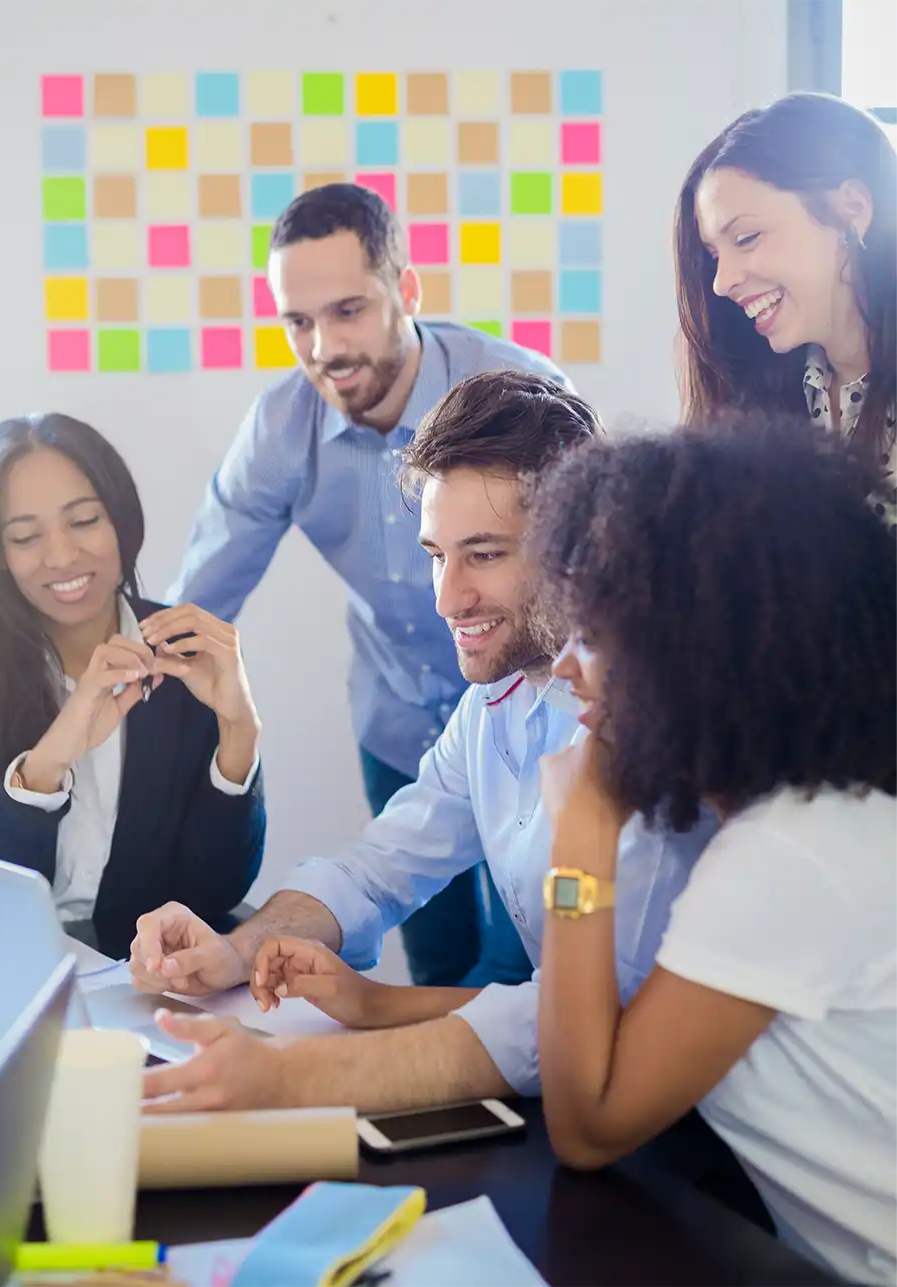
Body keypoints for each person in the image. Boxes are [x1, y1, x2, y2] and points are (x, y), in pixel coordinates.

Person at [131, 371, 716, 1119]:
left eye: (485, 554)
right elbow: (376, 871)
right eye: (438, 554)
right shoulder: (493, 707)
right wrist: (237, 949)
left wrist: (303, 1074)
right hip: (585, 1101)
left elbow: (593, 1017)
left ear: (579, 547)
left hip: (680, 1132)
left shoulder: (648, 722)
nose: (446, 597)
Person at [170, 182, 572, 989]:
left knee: (523, 965)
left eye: (347, 310)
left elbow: (596, 579)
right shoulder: (283, 432)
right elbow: (195, 610)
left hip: (540, 701)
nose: (324, 346)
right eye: (299, 322)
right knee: (439, 963)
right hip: (404, 721)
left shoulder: (518, 404)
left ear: (406, 290)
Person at [529, 414, 897, 1284]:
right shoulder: (805, 817)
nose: (563, 668)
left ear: (689, 649)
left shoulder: (788, 855)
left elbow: (588, 1125)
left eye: (593, 635)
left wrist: (582, 832)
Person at [0, 414, 266, 960]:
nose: (63, 556)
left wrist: (240, 731)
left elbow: (214, 893)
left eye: (85, 520)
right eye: (25, 536)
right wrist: (48, 763)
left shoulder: (186, 655)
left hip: (133, 980)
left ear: (120, 518)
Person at [675, 91, 897, 528]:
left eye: (745, 239)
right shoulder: (761, 400)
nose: (721, 283)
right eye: (714, 256)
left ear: (852, 209)